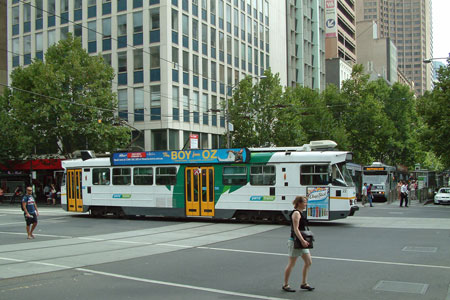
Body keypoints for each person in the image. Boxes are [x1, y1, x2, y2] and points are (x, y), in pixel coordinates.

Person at [282, 196, 314, 293]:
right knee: (292, 263)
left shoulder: (301, 213)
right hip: (296, 241)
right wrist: (303, 241)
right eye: (304, 202)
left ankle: (304, 283)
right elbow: (296, 229)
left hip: (302, 242)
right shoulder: (296, 213)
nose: (306, 204)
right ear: (299, 203)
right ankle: (285, 284)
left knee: (308, 262)